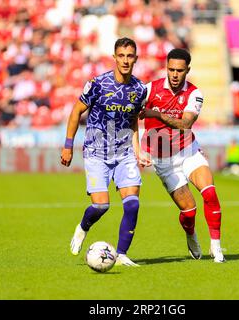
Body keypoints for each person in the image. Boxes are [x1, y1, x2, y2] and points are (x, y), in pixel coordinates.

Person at [61, 37, 147, 266]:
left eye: (130, 56)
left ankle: (122, 255)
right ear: (115, 57)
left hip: (124, 153)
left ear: (136, 58)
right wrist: (68, 145)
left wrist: (138, 151)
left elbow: (134, 122)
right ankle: (83, 226)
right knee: (101, 205)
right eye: (121, 55)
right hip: (96, 152)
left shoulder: (139, 89)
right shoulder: (98, 84)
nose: (125, 60)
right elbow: (75, 111)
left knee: (132, 204)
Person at [138, 48, 225, 263]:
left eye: (179, 70)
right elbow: (131, 113)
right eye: (171, 69)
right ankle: (191, 234)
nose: (175, 74)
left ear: (187, 70)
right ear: (166, 68)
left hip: (188, 151)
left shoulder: (194, 93)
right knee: (189, 212)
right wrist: (138, 147)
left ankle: (217, 247)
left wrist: (157, 114)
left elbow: (186, 124)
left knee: (210, 193)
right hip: (164, 160)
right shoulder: (150, 90)